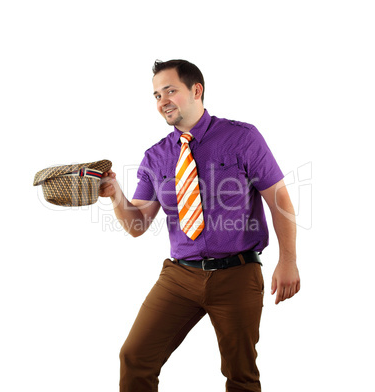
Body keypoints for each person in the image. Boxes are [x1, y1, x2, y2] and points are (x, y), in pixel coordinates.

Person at [99, 59, 300, 392]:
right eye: (156, 95)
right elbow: (137, 225)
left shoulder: (242, 138)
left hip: (237, 274)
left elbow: (279, 201)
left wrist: (288, 260)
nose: (162, 100)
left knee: (241, 375)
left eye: (170, 90)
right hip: (179, 276)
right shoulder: (156, 157)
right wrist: (114, 193)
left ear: (196, 90)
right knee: (135, 357)